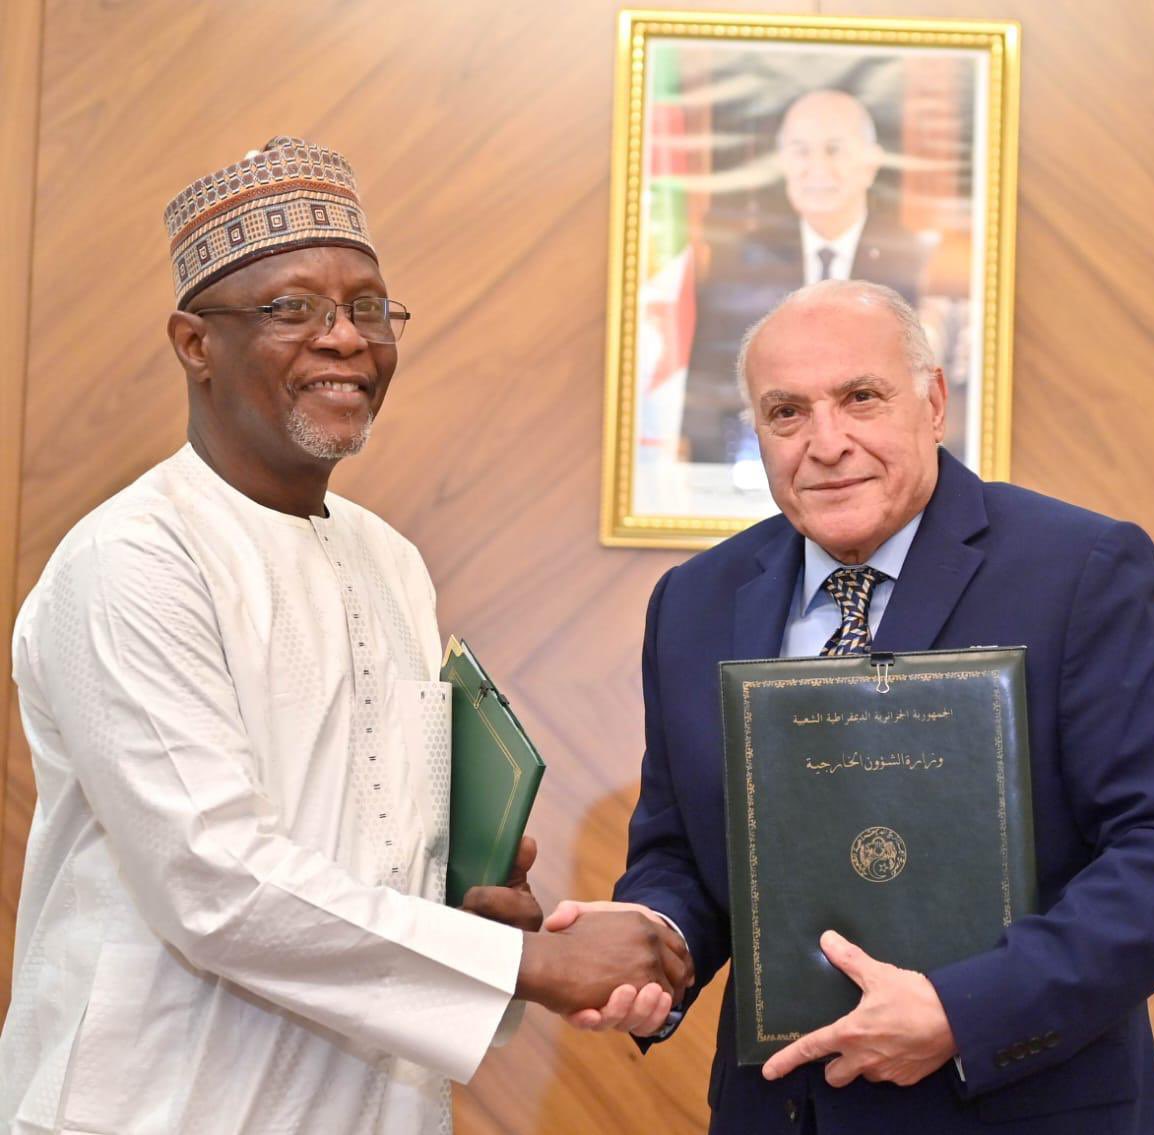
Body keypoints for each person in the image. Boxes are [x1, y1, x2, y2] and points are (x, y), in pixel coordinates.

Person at [0, 136, 690, 1135]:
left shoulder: (390, 559)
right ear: (194, 343)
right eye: (294, 309)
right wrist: (524, 963)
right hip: (168, 1102)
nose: (346, 340)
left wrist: (479, 905)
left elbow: (374, 838)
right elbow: (214, 879)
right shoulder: (134, 559)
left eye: (369, 308)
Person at [551, 279, 1154, 1133]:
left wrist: (963, 1009)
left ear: (934, 402)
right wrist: (653, 937)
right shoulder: (694, 601)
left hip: (1021, 1108)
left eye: (861, 398)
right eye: (786, 412)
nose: (826, 443)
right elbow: (683, 852)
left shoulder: (1080, 570)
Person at [681, 89, 935, 464]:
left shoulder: (914, 259)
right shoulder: (741, 259)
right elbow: (709, 387)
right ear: (782, 161)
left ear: (871, 162)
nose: (817, 167)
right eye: (800, 151)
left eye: (834, 150)